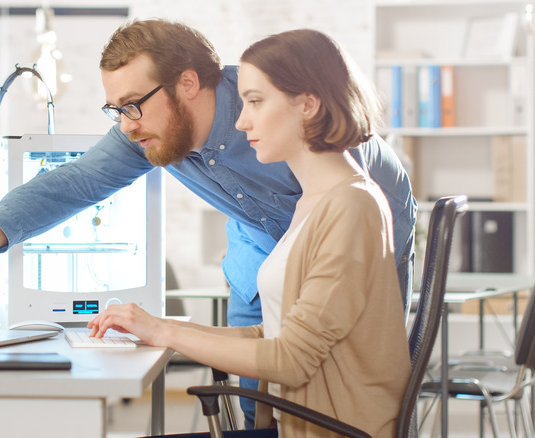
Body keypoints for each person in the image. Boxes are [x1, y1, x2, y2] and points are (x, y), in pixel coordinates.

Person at [0, 19, 416, 429]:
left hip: (357, 228)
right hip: (260, 245)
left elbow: (358, 205)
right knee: (260, 386)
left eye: (133, 104)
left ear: (187, 84)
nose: (125, 124)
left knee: (356, 367)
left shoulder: (285, 119)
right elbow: (74, 184)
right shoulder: (148, 129)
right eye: (114, 108)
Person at [88, 28, 411, 437]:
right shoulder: (311, 201)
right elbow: (272, 333)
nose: (241, 121)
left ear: (308, 105)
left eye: (255, 102)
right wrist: (157, 327)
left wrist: (163, 332)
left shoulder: (351, 206)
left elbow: (291, 359)